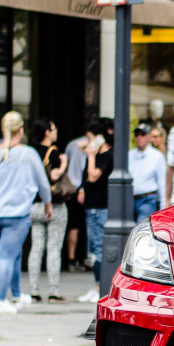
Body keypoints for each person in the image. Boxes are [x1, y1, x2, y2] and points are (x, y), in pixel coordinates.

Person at [0, 112, 52, 314]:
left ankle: (16, 295)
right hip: (17, 215)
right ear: (21, 130)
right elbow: (43, 182)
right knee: (7, 256)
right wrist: (48, 203)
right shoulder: (28, 153)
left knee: (12, 254)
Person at [28, 119, 69, 303]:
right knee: (53, 249)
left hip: (34, 205)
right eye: (53, 129)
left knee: (36, 248)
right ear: (47, 132)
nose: (56, 132)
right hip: (54, 205)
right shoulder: (53, 152)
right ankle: (54, 292)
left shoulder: (30, 152)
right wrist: (63, 164)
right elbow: (54, 175)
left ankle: (33, 290)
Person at [77, 122, 113, 303]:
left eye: (91, 138)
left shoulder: (107, 155)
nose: (88, 143)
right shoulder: (95, 153)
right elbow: (79, 145)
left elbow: (93, 176)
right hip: (91, 206)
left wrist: (91, 154)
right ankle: (97, 285)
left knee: (99, 248)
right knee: (93, 249)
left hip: (101, 207)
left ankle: (100, 287)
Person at [63, 129, 90, 271]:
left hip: (72, 187)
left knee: (74, 226)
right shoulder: (91, 145)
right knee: (86, 225)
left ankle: (72, 258)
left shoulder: (71, 144)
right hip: (82, 187)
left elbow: (67, 164)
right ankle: (83, 258)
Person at [129, 122, 166, 222]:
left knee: (141, 229)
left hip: (148, 199)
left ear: (149, 137)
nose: (139, 137)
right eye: (137, 135)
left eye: (143, 134)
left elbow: (162, 182)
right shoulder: (130, 155)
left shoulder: (157, 156)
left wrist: (163, 206)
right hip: (130, 200)